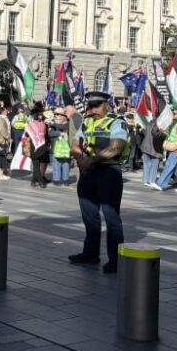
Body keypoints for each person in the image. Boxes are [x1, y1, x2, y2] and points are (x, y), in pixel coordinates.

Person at [68, 90, 131, 274]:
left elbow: (116, 148)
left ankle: (116, 259)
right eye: (90, 106)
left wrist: (91, 161)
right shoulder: (87, 122)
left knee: (111, 217)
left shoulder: (116, 122)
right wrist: (81, 161)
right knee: (89, 216)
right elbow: (74, 143)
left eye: (97, 106)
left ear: (107, 104)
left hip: (108, 172)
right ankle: (90, 253)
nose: (93, 110)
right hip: (88, 172)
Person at [154, 109, 177, 193]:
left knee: (169, 165)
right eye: (173, 113)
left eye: (175, 113)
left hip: (176, 148)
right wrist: (163, 132)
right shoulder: (174, 123)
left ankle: (161, 183)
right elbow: (170, 135)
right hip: (174, 147)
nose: (172, 114)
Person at [27, 105, 50, 188]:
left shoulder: (29, 125)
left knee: (36, 165)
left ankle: (33, 181)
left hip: (33, 147)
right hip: (41, 146)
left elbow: (26, 136)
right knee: (37, 165)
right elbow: (46, 135)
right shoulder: (44, 125)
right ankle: (40, 182)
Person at [139, 120, 164, 188]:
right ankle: (151, 180)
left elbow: (144, 132)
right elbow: (157, 135)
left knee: (147, 164)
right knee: (154, 165)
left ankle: (146, 180)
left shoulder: (149, 123)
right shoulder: (160, 125)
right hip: (155, 149)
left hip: (145, 146)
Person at [50, 111, 72, 186]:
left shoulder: (67, 124)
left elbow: (63, 127)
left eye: (58, 115)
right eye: (55, 114)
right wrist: (59, 133)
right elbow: (50, 133)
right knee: (56, 164)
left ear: (63, 116)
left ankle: (66, 179)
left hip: (66, 149)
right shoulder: (53, 124)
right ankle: (56, 179)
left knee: (65, 164)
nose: (56, 116)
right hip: (55, 148)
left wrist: (53, 124)